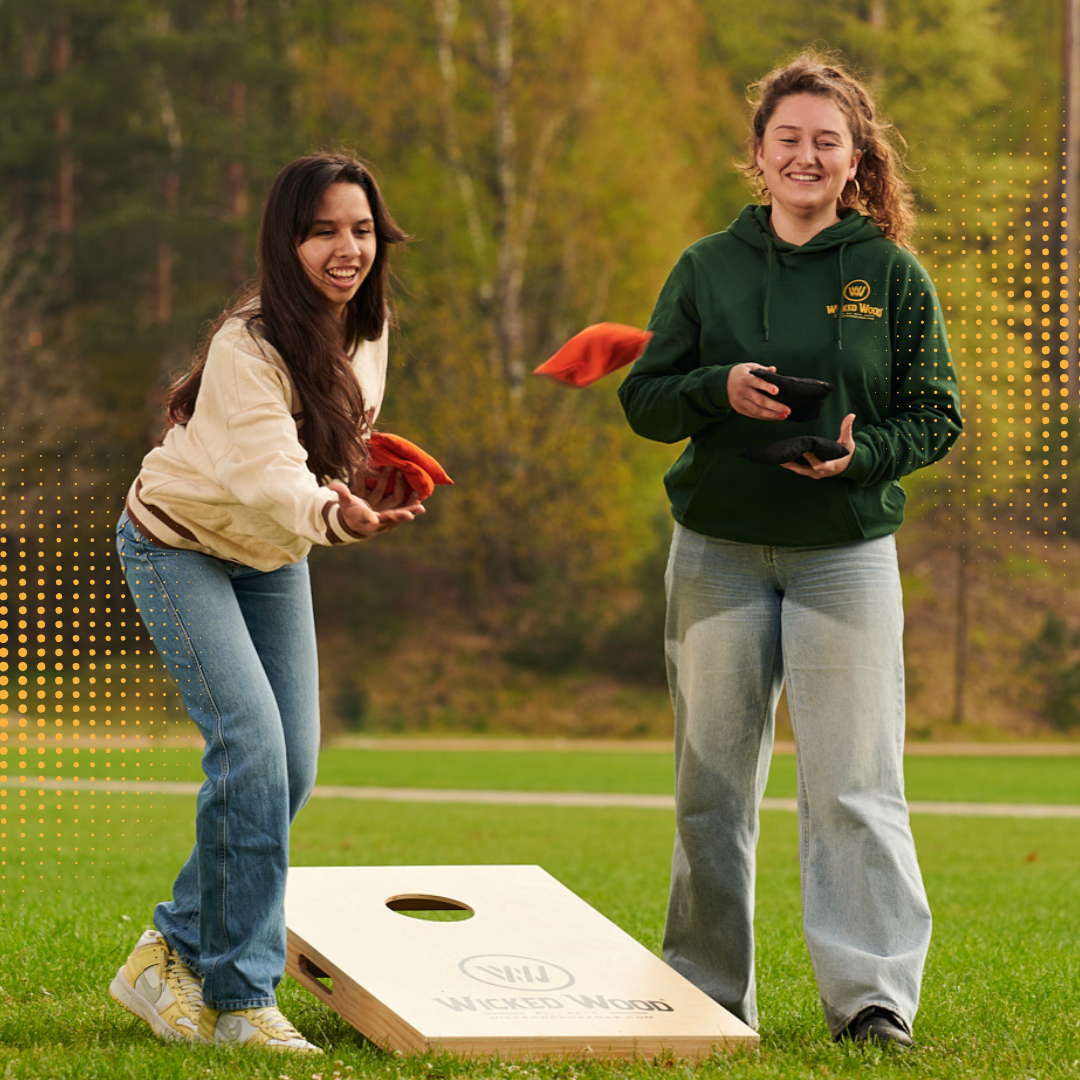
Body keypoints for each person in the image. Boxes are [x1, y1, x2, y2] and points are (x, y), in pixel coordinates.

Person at [617, 52, 962, 1048]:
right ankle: (705, 994)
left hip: (842, 553)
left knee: (854, 782)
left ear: (855, 159)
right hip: (718, 550)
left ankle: (873, 1000)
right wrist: (712, 388)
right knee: (711, 788)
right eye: (788, 140)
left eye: (827, 141)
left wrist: (862, 457)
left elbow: (934, 415)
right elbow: (644, 399)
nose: (806, 156)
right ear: (759, 157)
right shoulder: (705, 267)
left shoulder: (890, 275)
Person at [110, 153, 425, 1053]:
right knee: (250, 747)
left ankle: (168, 945)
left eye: (361, 229)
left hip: (274, 554)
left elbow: (320, 440)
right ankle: (241, 1002)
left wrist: (364, 467)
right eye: (324, 229)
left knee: (292, 767)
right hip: (178, 545)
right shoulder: (246, 346)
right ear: (285, 241)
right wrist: (334, 508)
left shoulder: (367, 326)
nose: (346, 248)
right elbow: (264, 471)